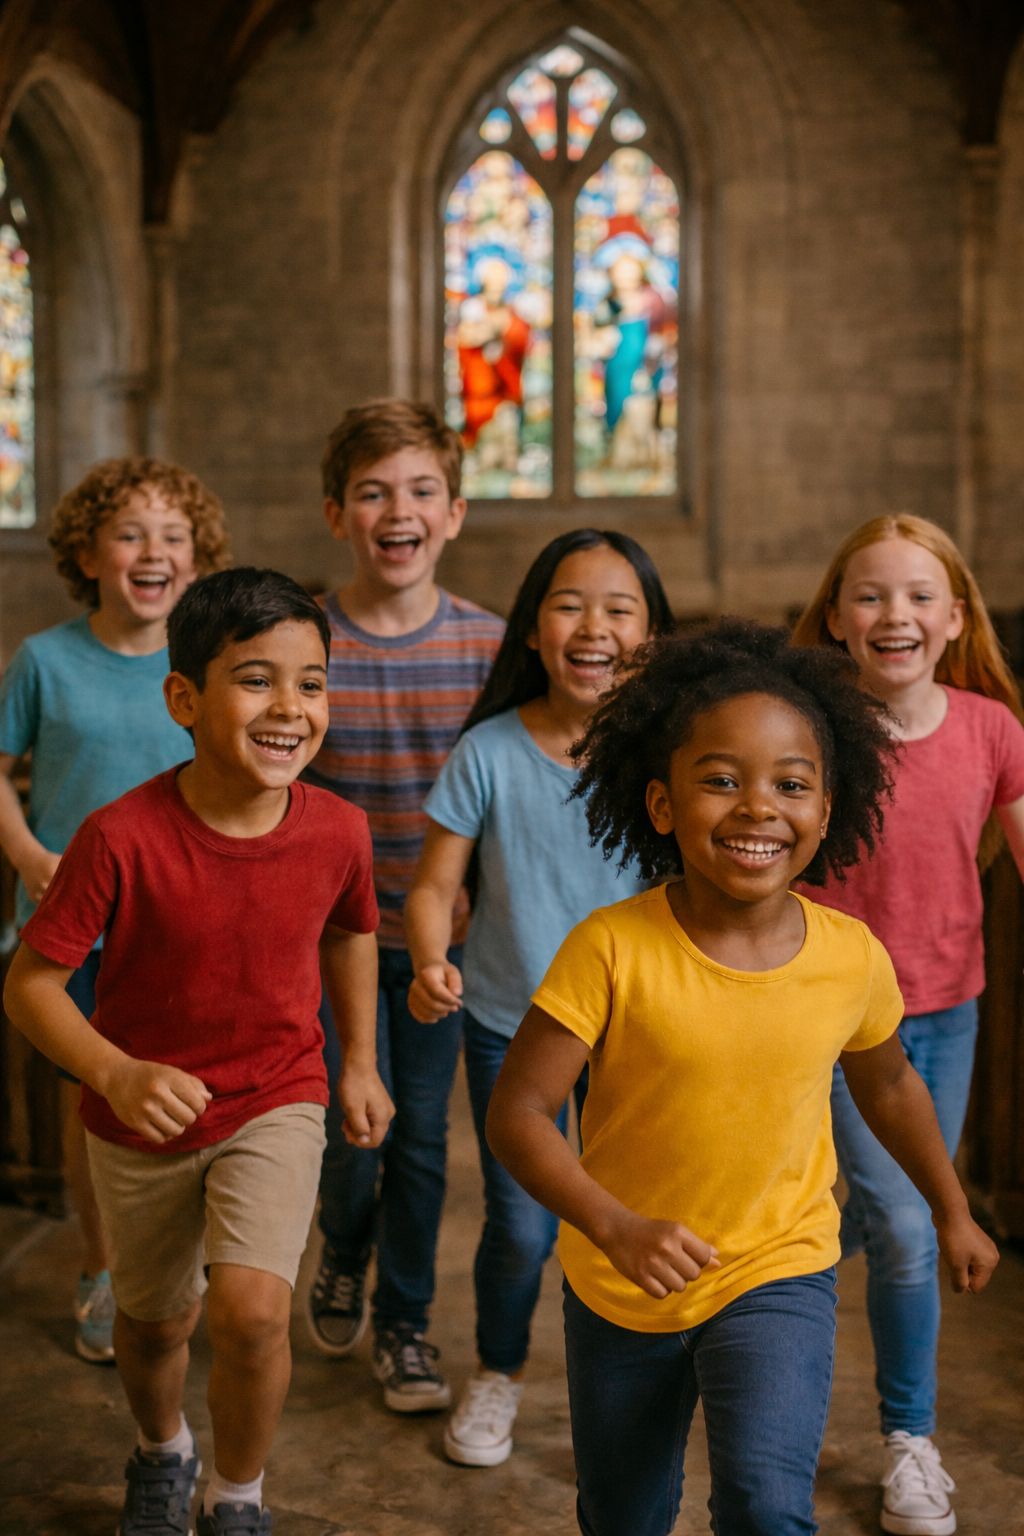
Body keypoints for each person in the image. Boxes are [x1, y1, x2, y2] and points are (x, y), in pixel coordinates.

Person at [485, 619, 999, 1536]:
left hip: (779, 1270)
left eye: (790, 785)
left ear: (827, 810)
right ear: (661, 803)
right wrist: (615, 1225)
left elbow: (889, 1087)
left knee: (767, 1508)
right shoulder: (609, 948)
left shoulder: (850, 956)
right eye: (721, 779)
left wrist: (949, 1208)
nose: (758, 807)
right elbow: (518, 1112)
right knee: (624, 1515)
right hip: (623, 1282)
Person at [3, 567, 390, 1536]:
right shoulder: (118, 837)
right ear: (183, 698)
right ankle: (162, 1448)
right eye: (257, 679)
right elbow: (30, 987)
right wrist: (114, 1071)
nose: (290, 707)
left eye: (311, 683)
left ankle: (237, 1495)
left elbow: (351, 933)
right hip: (139, 1119)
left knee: (252, 1314)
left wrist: (357, 1062)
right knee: (154, 1322)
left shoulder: (339, 830)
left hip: (278, 1096)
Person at [406, 528, 674, 1467]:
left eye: (619, 608)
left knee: (632, 1213)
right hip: (509, 1025)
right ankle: (499, 1371)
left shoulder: (668, 754)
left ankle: (637, 1388)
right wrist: (430, 959)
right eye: (569, 605)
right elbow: (433, 886)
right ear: (530, 630)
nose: (593, 626)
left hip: (639, 1033)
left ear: (651, 636)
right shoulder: (488, 751)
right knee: (522, 1226)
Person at [791, 513, 1024, 1535]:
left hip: (949, 1009)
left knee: (866, 1220)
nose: (897, 613)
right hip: (840, 1021)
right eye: (872, 595)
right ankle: (910, 1443)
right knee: (903, 1223)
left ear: (955, 617)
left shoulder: (991, 729)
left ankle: (753, 1309)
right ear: (837, 618)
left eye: (920, 595)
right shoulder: (811, 725)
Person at [0, 456, 230, 1362]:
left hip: (189, 921)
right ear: (89, 555)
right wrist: (29, 856)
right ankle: (103, 1266)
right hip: (77, 924)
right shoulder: (45, 661)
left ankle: (186, 1265)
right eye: (130, 535)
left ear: (197, 559)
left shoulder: (208, 663)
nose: (153, 552)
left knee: (198, 1090)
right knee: (97, 1099)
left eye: (173, 536)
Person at [303, 399, 505, 1412]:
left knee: (422, 1138)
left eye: (422, 490)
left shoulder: (491, 648)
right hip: (327, 942)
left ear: (454, 514)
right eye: (373, 492)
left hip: (442, 947)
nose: (399, 511)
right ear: (337, 513)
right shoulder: (306, 640)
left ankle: (405, 1326)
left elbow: (513, 792)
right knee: (351, 1135)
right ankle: (343, 1243)